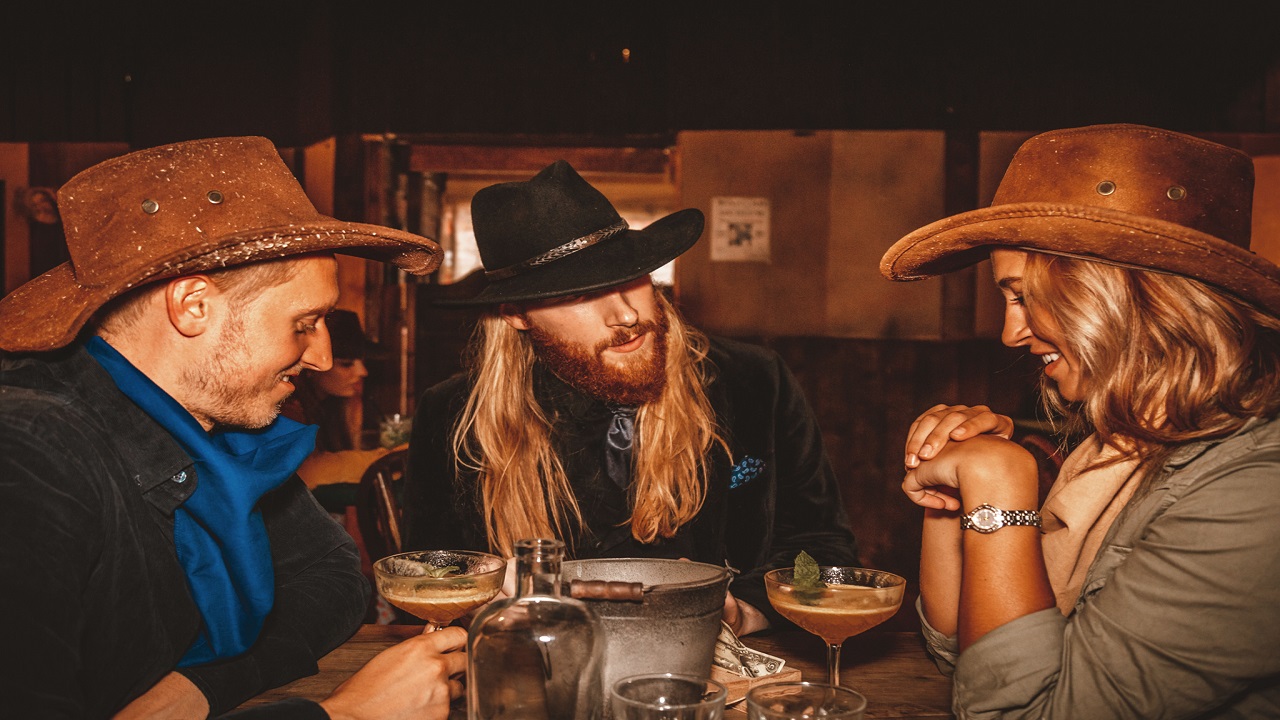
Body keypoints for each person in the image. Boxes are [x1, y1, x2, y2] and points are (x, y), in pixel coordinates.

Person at [0, 136, 466, 719]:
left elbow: (334, 575)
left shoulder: (205, 424)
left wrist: (196, 689)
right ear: (193, 306)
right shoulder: (28, 452)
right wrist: (344, 716)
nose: (321, 357)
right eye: (306, 322)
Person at [879, 124, 1280, 717]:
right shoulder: (1118, 447)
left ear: (1120, 293)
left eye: (1021, 296)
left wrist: (999, 490)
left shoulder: (1254, 493)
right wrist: (953, 500)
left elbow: (1019, 710)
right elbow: (969, 664)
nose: (1010, 333)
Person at [401, 159, 859, 635]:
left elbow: (819, 546)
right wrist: (477, 599)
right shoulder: (454, 414)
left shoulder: (752, 381)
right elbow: (427, 574)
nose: (624, 314)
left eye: (631, 277)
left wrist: (745, 612)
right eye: (579, 295)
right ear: (517, 315)